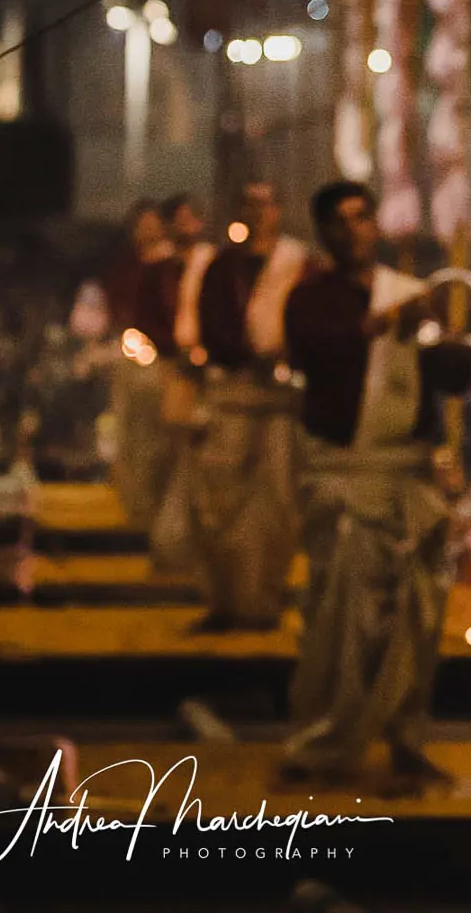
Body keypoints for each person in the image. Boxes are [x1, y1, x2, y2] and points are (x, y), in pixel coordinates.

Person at [280, 180, 471, 785]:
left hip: (405, 478)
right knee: (342, 617)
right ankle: (325, 741)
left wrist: (448, 330)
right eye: (338, 221)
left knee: (415, 619)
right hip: (344, 476)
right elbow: (316, 354)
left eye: (361, 217)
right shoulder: (310, 297)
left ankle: (407, 739)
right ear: (325, 233)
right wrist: (382, 322)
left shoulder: (410, 295)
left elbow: (454, 378)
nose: (352, 229)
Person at [173, 181, 309, 630]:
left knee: (275, 505)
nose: (256, 213)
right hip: (231, 400)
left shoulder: (295, 264)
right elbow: (212, 325)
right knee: (220, 503)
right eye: (248, 204)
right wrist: (241, 357)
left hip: (278, 405)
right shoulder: (222, 268)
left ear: (278, 210)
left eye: (264, 204)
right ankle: (227, 599)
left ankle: (263, 599)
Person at [107, 201, 176, 528]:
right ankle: (135, 507)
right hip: (131, 360)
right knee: (130, 432)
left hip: (162, 363)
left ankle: (155, 510)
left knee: (159, 437)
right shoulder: (128, 266)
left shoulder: (171, 265)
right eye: (141, 225)